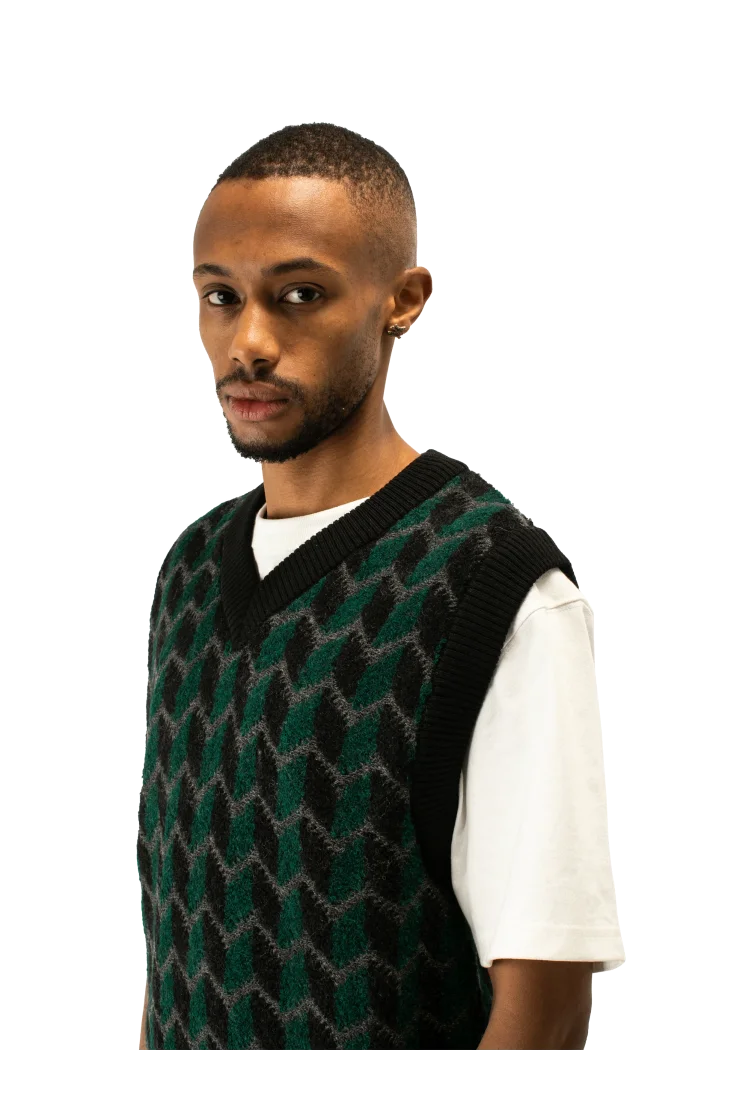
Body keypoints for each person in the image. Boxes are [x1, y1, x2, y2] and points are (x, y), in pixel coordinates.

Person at [137, 122, 624, 1054]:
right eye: (220, 297)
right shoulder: (193, 570)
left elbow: (545, 1004)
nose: (249, 342)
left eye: (301, 295)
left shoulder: (490, 585)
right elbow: (184, 941)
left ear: (402, 301)